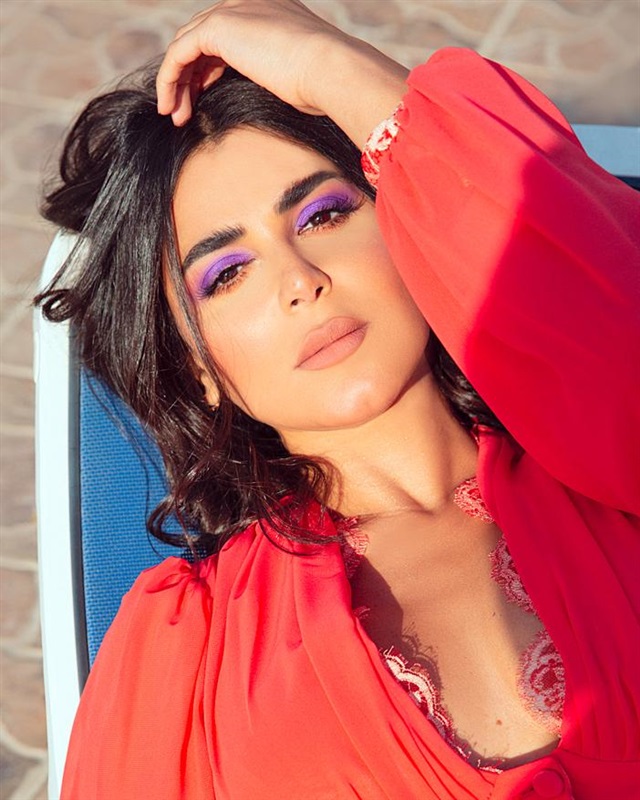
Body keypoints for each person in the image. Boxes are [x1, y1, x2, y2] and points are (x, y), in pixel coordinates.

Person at [37, 1, 640, 797]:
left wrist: (334, 66)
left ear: (405, 222)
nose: (299, 280)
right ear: (198, 367)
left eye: (323, 214)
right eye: (227, 274)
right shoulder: (186, 658)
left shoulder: (606, 449)